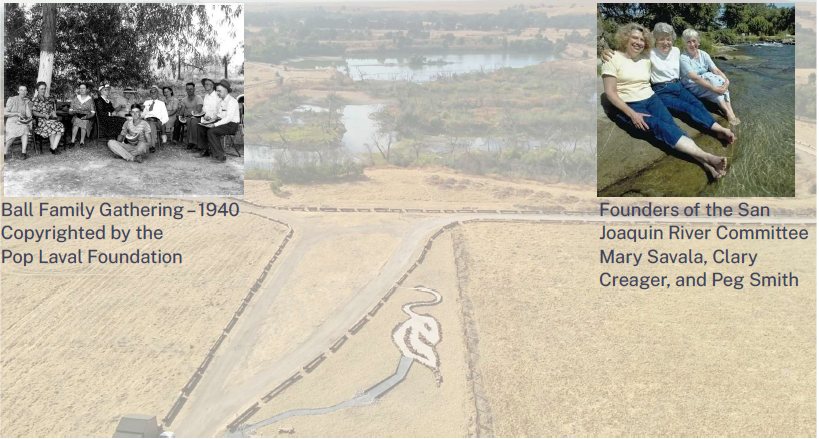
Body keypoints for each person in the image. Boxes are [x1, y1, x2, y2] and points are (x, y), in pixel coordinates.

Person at [601, 23, 727, 179]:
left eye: (641, 39)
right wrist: (632, 114)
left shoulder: (646, 56)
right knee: (659, 126)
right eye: (634, 37)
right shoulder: (612, 58)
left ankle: (705, 163)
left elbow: (671, 54)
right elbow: (610, 93)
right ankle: (707, 157)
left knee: (671, 126)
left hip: (651, 98)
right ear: (625, 38)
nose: (638, 42)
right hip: (630, 105)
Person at [680, 28, 740, 125]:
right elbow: (695, 78)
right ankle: (728, 113)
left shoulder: (703, 54)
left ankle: (730, 111)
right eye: (688, 42)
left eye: (694, 41)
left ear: (698, 41)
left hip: (704, 81)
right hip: (692, 85)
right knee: (715, 88)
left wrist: (726, 80)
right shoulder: (683, 58)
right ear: (685, 44)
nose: (692, 44)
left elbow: (715, 70)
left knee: (720, 81)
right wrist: (714, 88)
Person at [198, 79, 240, 162]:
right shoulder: (220, 101)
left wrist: (214, 125)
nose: (217, 93)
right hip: (222, 122)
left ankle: (220, 156)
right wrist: (211, 119)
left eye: (219, 91)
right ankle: (206, 150)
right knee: (201, 127)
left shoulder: (232, 101)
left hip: (231, 125)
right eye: (216, 91)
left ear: (226, 90)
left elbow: (228, 118)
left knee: (212, 131)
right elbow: (218, 115)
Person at [30, 81, 64, 155]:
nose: (43, 90)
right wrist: (44, 116)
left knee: (58, 125)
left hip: (49, 120)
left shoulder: (47, 99)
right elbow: (34, 112)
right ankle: (53, 148)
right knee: (57, 127)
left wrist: (55, 116)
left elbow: (51, 110)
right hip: (40, 121)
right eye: (41, 89)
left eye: (44, 89)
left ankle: (53, 147)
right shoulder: (35, 100)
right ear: (37, 89)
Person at [189, 78, 220, 153]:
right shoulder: (206, 97)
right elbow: (204, 110)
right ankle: (196, 144)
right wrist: (197, 114)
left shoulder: (217, 96)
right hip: (205, 118)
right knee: (193, 120)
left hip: (215, 119)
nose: (205, 86)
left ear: (212, 86)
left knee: (200, 125)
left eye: (207, 84)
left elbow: (219, 111)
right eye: (204, 84)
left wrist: (212, 117)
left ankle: (204, 148)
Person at [4, 85, 33, 160]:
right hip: (11, 121)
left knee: (25, 128)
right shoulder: (12, 99)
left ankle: (23, 152)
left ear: (26, 92)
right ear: (18, 91)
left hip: (22, 121)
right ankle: (4, 152)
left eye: (25, 90)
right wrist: (16, 113)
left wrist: (26, 104)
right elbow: (4, 113)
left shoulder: (27, 101)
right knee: (14, 131)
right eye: (21, 90)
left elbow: (29, 116)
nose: (23, 92)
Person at [142, 85, 169, 152]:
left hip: (157, 122)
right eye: (152, 92)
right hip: (147, 121)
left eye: (155, 92)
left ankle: (152, 145)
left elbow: (165, 116)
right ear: (150, 94)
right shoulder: (146, 102)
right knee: (150, 124)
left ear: (158, 94)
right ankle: (151, 145)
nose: (153, 94)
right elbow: (143, 114)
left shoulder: (161, 103)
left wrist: (161, 123)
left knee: (152, 124)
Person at [69, 82, 95, 148]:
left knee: (84, 121)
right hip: (76, 116)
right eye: (80, 88)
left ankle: (82, 141)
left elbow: (93, 113)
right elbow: (70, 111)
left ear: (87, 89)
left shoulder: (90, 99)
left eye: (83, 88)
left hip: (87, 117)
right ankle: (72, 141)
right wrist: (74, 112)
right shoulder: (76, 98)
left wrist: (86, 117)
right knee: (77, 120)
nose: (81, 90)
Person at [179, 82, 203, 148]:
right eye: (188, 89)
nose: (189, 91)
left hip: (198, 117)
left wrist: (188, 112)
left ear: (194, 89)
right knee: (189, 120)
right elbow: (182, 111)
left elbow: (198, 111)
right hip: (189, 118)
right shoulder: (184, 99)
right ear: (186, 90)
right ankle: (190, 142)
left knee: (192, 121)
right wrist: (180, 115)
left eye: (191, 89)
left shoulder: (198, 98)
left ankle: (195, 142)